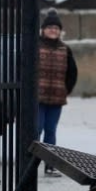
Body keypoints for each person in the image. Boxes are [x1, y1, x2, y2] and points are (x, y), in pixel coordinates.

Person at [37, 9, 78, 171]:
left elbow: (72, 73)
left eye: (56, 28)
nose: (53, 30)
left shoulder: (65, 49)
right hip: (37, 99)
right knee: (36, 130)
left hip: (56, 99)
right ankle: (30, 165)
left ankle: (50, 165)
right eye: (50, 27)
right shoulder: (35, 46)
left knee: (50, 131)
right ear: (43, 30)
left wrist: (65, 90)